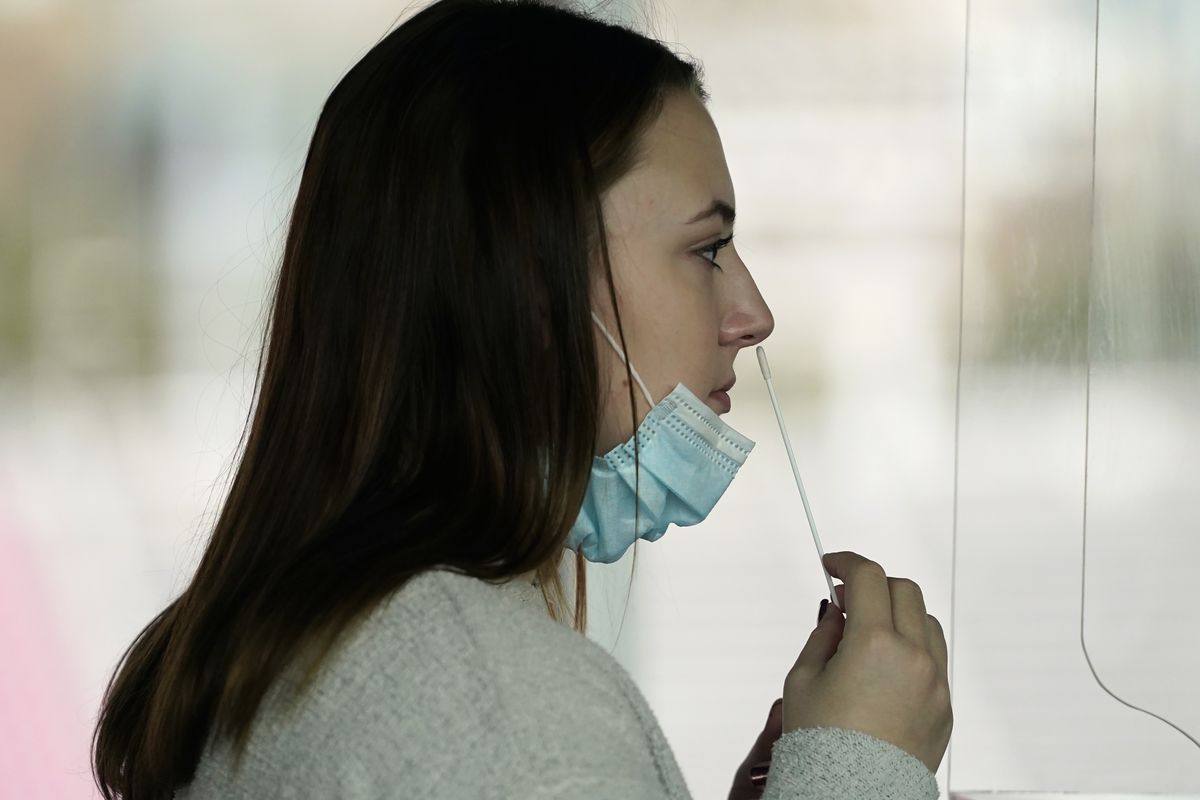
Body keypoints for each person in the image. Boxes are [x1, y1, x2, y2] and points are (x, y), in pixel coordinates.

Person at [91, 1, 952, 798]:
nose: (754, 316)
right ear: (530, 287)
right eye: (708, 248)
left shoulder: (333, 646)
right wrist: (859, 768)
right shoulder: (495, 701)